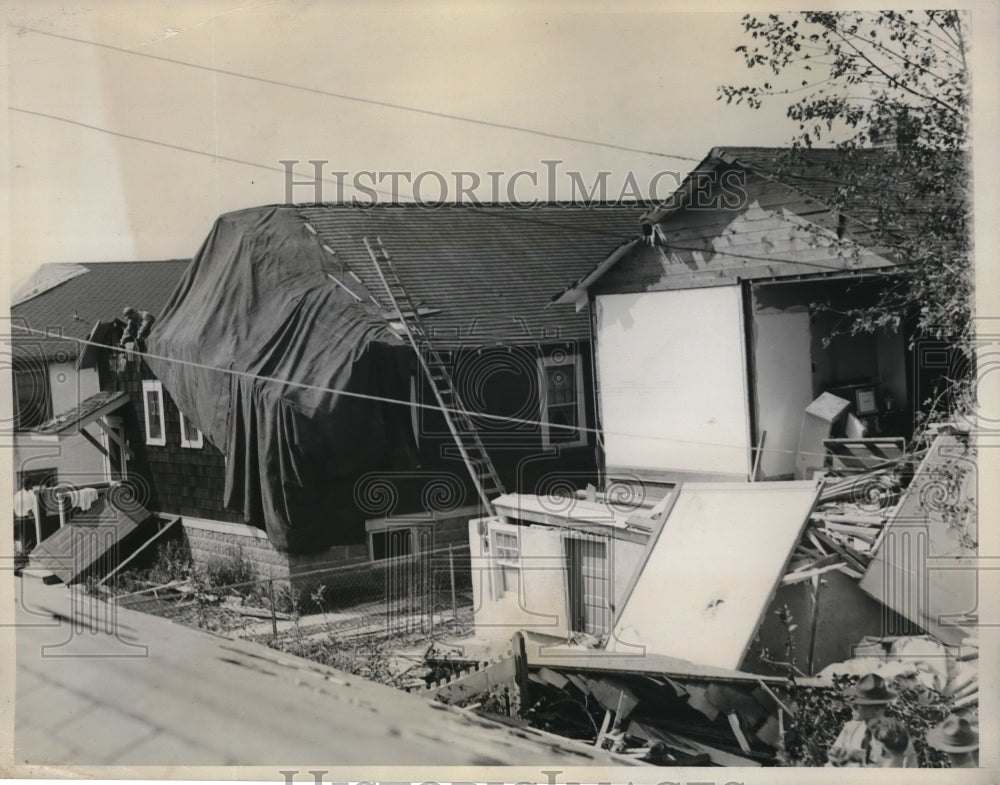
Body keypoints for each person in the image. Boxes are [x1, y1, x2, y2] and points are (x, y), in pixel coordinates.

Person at [827, 673, 916, 767]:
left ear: (877, 708)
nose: (853, 706)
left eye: (860, 703)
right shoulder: (850, 729)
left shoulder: (896, 734)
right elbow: (831, 765)